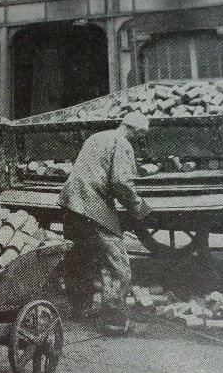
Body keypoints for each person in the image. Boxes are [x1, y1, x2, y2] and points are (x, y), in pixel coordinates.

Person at [59, 111, 153, 336]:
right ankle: (114, 321)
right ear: (137, 131)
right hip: (92, 204)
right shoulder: (123, 144)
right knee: (116, 263)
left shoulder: (97, 137)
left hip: (70, 201)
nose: (141, 141)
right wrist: (139, 207)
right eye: (142, 136)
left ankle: (80, 307)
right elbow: (121, 182)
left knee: (80, 256)